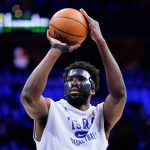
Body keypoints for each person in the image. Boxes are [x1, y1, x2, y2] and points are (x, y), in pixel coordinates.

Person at [20, 8, 127, 150]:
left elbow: (119, 95)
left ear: (93, 89)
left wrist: (100, 41)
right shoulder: (51, 111)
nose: (74, 82)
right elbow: (28, 97)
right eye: (69, 79)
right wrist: (56, 49)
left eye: (81, 79)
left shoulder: (101, 116)